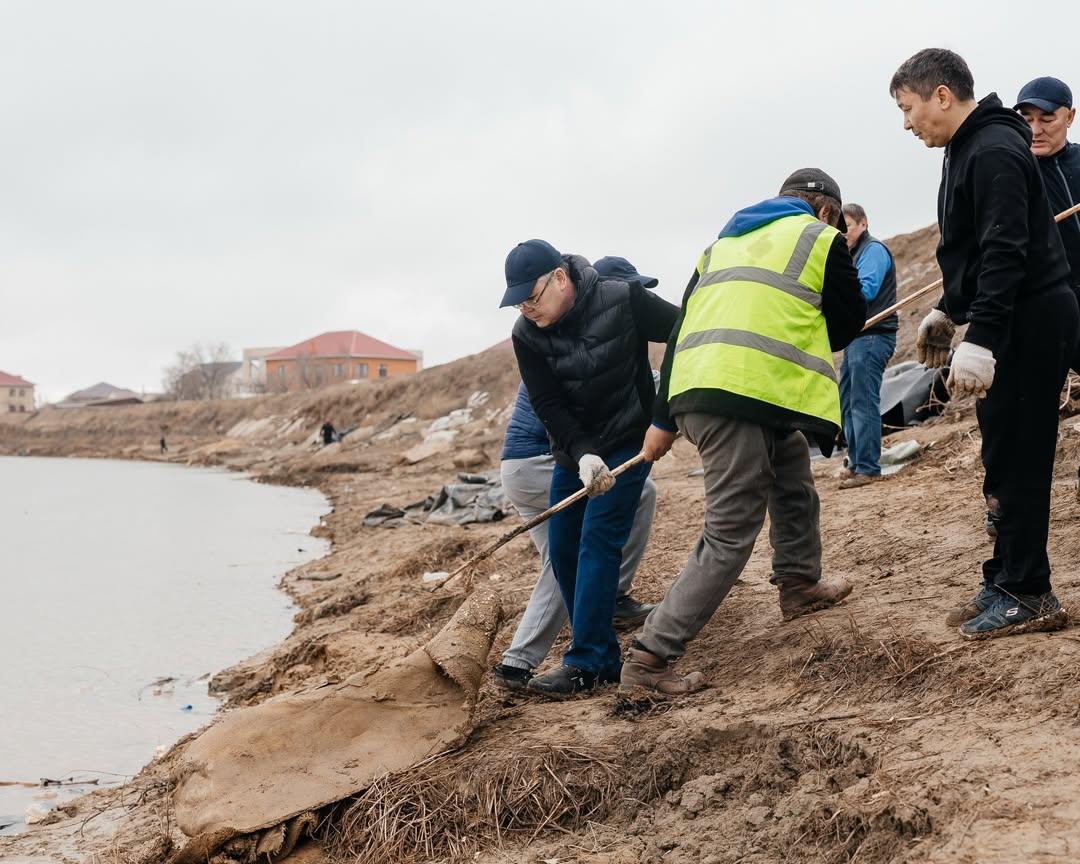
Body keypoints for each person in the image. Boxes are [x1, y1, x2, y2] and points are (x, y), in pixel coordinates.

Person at [620, 169, 867, 696]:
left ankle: (799, 582)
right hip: (739, 398)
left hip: (709, 392)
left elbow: (681, 330)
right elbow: (847, 325)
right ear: (827, 210)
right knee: (730, 532)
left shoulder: (719, 247)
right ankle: (649, 660)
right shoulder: (821, 238)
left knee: (791, 471)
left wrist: (663, 419)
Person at [890, 48, 1077, 639]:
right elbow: (972, 249)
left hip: (1032, 317)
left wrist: (984, 337)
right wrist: (948, 309)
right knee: (1001, 453)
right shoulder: (967, 148)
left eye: (908, 108)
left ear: (942, 95)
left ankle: (1030, 593)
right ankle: (1004, 576)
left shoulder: (993, 149)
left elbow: (1006, 251)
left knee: (1021, 455)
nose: (907, 124)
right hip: (1013, 316)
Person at [503, 240, 679, 695]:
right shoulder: (526, 333)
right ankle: (599, 650)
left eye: (532, 297)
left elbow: (683, 330)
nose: (527, 309)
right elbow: (547, 402)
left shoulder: (623, 298)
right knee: (563, 546)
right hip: (574, 452)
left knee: (598, 539)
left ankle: (588, 660)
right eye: (519, 303)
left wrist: (664, 414)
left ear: (560, 278)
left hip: (629, 439)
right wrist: (581, 453)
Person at [837, 203, 898, 489]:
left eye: (847, 226)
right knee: (848, 400)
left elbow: (865, 290)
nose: (842, 233)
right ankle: (856, 462)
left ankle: (868, 467)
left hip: (873, 336)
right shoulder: (851, 256)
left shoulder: (872, 251)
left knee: (862, 400)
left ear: (863, 223)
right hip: (856, 338)